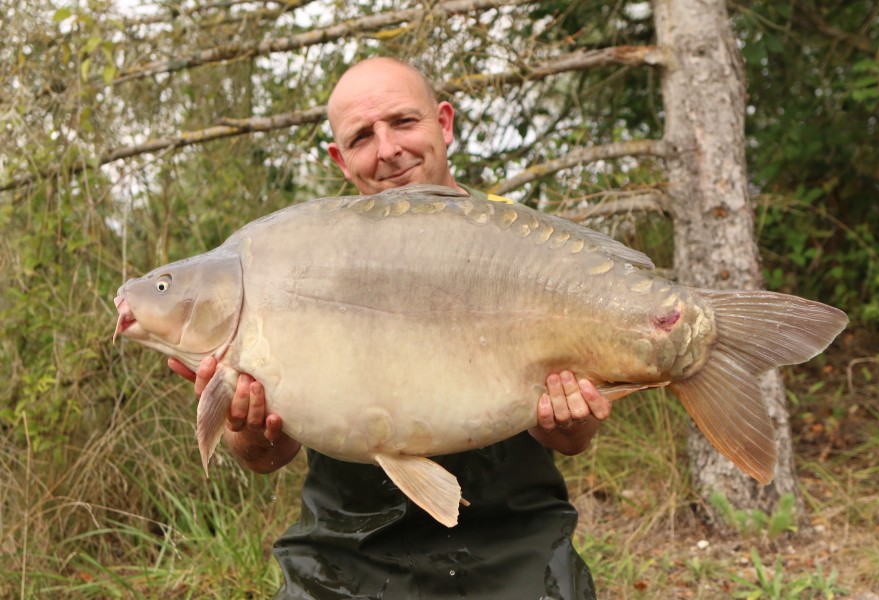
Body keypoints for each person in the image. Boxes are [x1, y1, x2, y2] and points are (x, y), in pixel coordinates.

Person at [169, 57, 611, 599]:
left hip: (516, 544)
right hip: (344, 551)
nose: (388, 149)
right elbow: (266, 457)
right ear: (340, 158)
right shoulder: (295, 256)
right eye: (362, 136)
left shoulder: (524, 246)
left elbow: (571, 439)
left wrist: (570, 421)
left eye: (404, 122)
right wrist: (247, 428)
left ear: (443, 123)